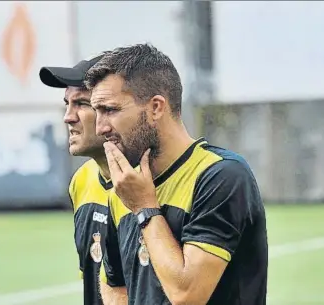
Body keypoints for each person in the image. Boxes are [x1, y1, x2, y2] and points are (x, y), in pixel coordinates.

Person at [84, 43, 268, 305]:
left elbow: (188, 295)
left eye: (110, 110)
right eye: (96, 111)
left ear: (156, 107)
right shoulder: (125, 186)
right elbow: (116, 285)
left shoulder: (221, 175)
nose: (100, 127)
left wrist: (146, 208)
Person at [39, 53, 112, 305]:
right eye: (67, 104)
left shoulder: (153, 184)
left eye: (81, 103)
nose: (68, 116)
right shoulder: (82, 180)